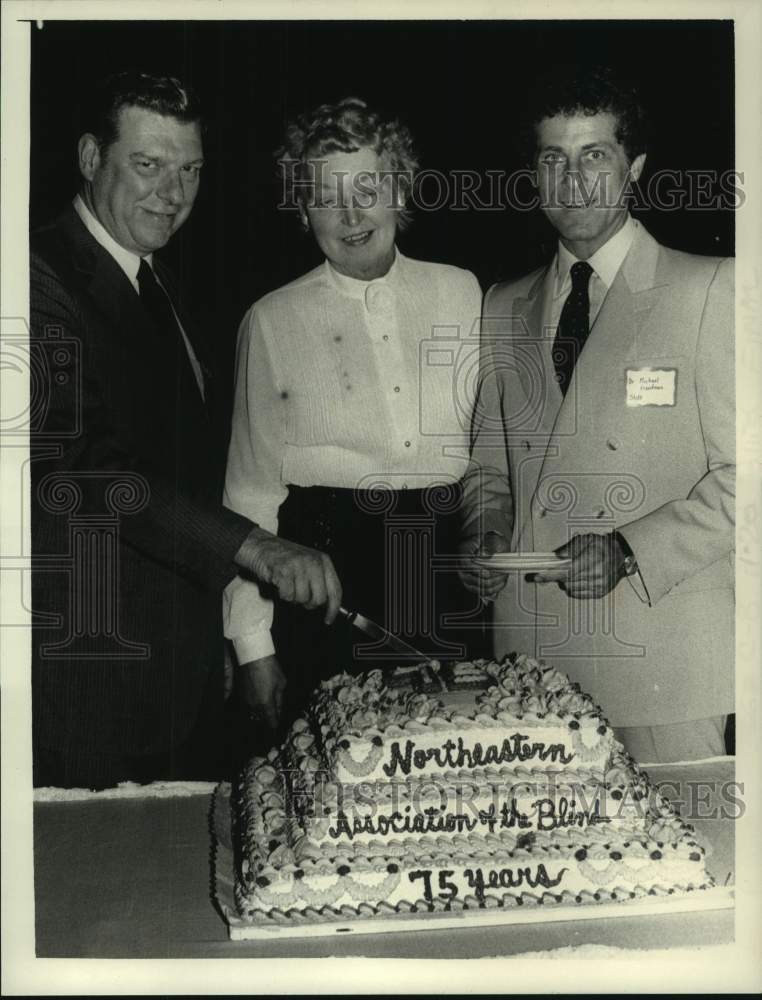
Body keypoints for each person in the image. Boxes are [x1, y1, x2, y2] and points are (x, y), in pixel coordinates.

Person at [30, 71, 341, 789]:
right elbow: (82, 466)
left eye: (190, 170)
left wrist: (238, 640)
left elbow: (193, 473)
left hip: (181, 683)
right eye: (148, 164)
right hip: (85, 688)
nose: (171, 193)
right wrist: (253, 546)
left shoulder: (163, 281)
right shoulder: (34, 274)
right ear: (88, 157)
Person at [460, 66, 734, 763]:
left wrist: (628, 549)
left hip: (664, 669)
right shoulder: (500, 304)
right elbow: (488, 468)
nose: (572, 179)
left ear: (635, 167)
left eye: (595, 156)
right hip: (528, 669)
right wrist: (484, 531)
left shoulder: (712, 290)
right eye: (552, 159)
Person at [223, 97, 485, 719]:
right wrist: (252, 645)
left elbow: (494, 452)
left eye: (368, 187)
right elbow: (249, 496)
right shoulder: (270, 319)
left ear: (400, 189)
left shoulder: (462, 290)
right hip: (324, 597)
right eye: (324, 195)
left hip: (450, 586)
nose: (350, 214)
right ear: (303, 209)